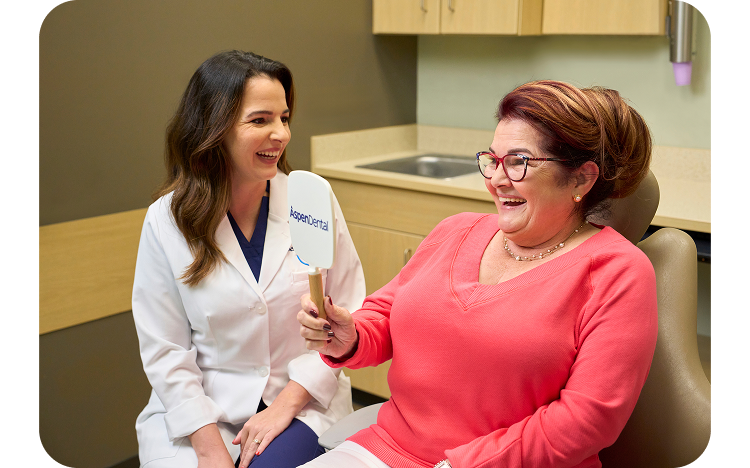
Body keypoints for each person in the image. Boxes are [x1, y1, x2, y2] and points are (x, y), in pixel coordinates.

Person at [297, 80, 658, 468]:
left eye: (519, 162)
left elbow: (587, 420)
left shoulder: (618, 273)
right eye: (492, 159)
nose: (496, 179)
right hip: (385, 450)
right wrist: (351, 336)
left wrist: (463, 464)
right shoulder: (456, 230)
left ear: (582, 178)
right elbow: (385, 314)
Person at [132, 50, 366, 468]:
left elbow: (352, 310)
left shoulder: (310, 199)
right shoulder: (166, 221)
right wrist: (209, 449)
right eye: (260, 120)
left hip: (300, 400)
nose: (281, 134)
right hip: (203, 413)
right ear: (213, 130)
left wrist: (283, 406)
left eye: (284, 118)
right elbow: (166, 349)